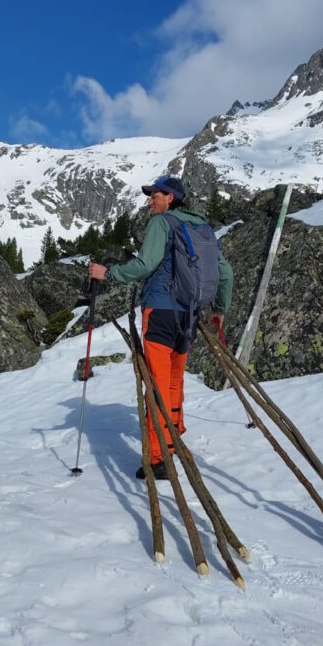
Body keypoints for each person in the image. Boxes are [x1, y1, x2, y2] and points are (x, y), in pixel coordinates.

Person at [89, 175, 233, 479]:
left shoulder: (162, 223)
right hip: (189, 314)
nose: (149, 201)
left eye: (154, 195)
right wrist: (219, 309)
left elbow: (146, 264)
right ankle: (174, 433)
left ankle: (158, 458)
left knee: (156, 383)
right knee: (174, 380)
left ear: (170, 197)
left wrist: (108, 273)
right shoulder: (202, 227)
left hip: (161, 310)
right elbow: (225, 272)